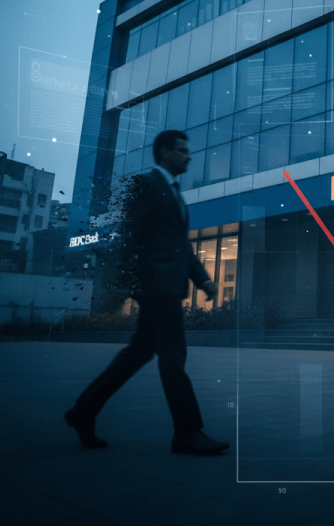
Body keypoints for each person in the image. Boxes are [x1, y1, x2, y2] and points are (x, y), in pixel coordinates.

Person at [64, 130, 229, 456]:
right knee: (173, 358)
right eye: (182, 150)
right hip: (157, 289)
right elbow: (129, 236)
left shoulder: (174, 193)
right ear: (166, 153)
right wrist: (123, 285)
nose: (189, 156)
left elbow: (179, 245)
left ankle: (83, 411)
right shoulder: (147, 185)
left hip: (165, 287)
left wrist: (203, 280)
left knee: (138, 354)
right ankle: (187, 432)